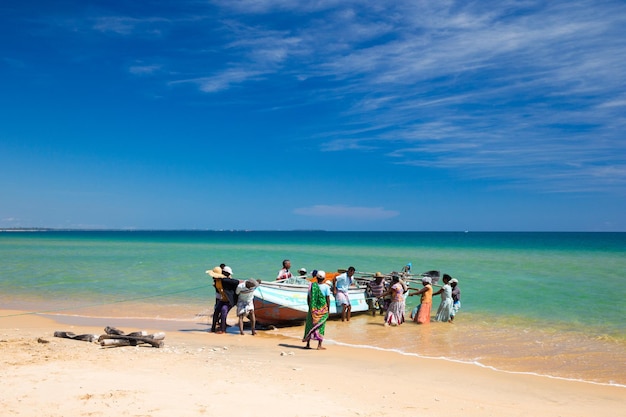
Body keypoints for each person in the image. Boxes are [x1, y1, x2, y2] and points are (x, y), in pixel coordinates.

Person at [302, 270, 331, 350]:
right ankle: (319, 345)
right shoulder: (326, 287)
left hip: (312, 309)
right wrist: (328, 309)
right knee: (321, 326)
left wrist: (311, 307)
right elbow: (327, 299)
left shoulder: (312, 286)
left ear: (316, 278)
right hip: (322, 310)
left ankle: (308, 344)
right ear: (324, 278)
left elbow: (308, 298)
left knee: (309, 325)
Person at [210, 265, 240, 334]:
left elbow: (236, 282)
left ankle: (223, 330)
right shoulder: (215, 281)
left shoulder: (225, 280)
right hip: (223, 299)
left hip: (230, 300)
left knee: (223, 311)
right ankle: (213, 329)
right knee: (216, 311)